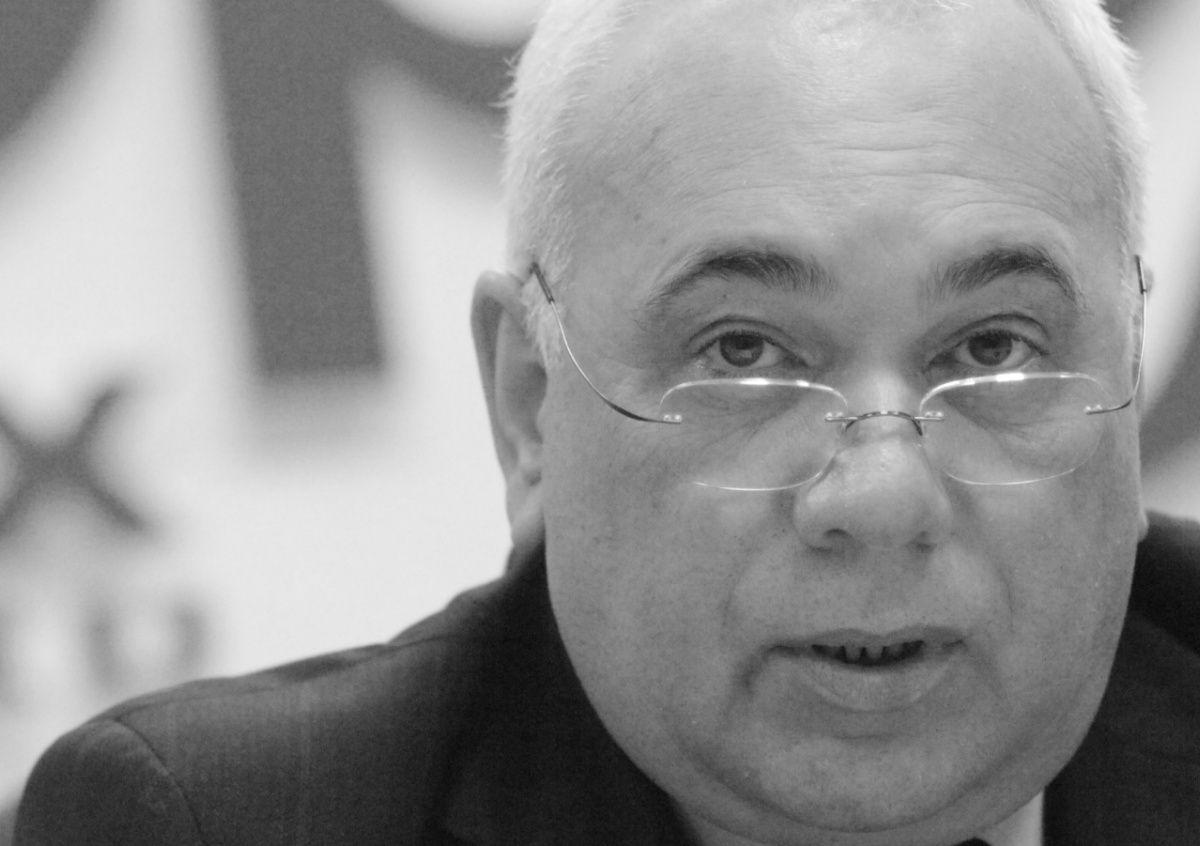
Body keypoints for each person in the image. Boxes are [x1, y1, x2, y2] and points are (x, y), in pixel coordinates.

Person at [14, 0, 1200, 843]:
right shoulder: (216, 824)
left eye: (993, 348)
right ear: (531, 407)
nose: (882, 494)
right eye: (743, 352)